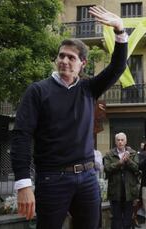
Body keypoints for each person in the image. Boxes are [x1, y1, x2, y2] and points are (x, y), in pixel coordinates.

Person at [10, 6, 127, 228]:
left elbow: (117, 66)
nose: (64, 60)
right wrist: (23, 184)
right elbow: (21, 135)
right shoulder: (37, 91)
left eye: (71, 57)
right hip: (51, 179)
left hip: (87, 179)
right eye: (61, 55)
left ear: (82, 64)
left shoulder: (88, 89)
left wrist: (120, 30)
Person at [104, 133, 139, 229]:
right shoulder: (109, 154)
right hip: (115, 191)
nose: (120, 142)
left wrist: (128, 161)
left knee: (128, 219)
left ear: (126, 141)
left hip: (129, 191)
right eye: (118, 140)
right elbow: (107, 168)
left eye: (122, 140)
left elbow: (137, 168)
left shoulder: (133, 153)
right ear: (115, 142)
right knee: (116, 219)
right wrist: (119, 163)